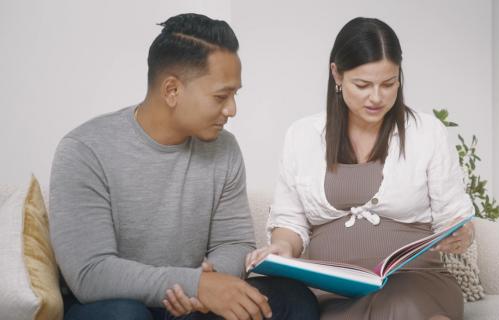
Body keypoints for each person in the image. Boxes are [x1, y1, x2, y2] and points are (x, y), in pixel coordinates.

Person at [49, 13, 319, 320]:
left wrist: (212, 281)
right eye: (221, 96)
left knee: (293, 300)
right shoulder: (84, 150)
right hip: (112, 304)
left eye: (234, 94)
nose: (232, 109)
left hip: (192, 303)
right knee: (126, 315)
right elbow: (90, 274)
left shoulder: (224, 148)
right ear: (172, 91)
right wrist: (196, 284)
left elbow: (234, 243)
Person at [246, 17, 475, 320]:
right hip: (334, 291)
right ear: (336, 75)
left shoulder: (427, 132)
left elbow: (455, 219)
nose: (377, 97)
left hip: (416, 282)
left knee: (405, 305)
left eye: (389, 84)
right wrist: (283, 248)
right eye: (363, 85)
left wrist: (462, 234)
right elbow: (290, 221)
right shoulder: (302, 135)